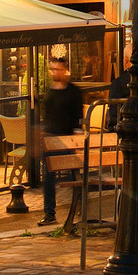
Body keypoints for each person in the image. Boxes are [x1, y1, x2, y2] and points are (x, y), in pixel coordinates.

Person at [39, 60, 85, 226]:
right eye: (52, 69)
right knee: (48, 177)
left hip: (67, 139)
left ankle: (81, 206)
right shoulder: (51, 91)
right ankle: (49, 212)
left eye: (58, 69)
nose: (55, 72)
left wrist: (77, 140)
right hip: (51, 139)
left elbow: (78, 117)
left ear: (65, 70)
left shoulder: (73, 92)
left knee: (75, 175)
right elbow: (47, 114)